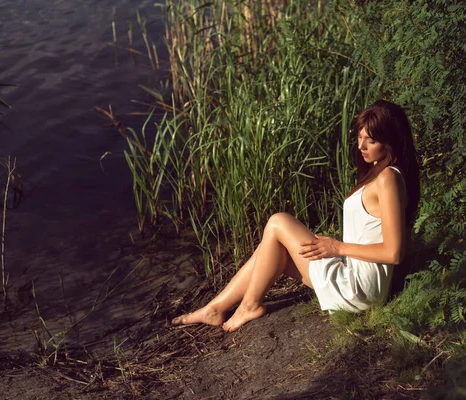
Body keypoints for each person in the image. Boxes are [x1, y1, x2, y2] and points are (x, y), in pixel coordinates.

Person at [172, 100, 420, 332]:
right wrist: (336, 249)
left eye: (371, 140)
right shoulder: (380, 173)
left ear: (391, 142)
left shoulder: (388, 178)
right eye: (360, 136)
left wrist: (337, 247)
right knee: (272, 248)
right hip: (355, 277)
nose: (361, 146)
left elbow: (393, 252)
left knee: (278, 221)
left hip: (359, 289)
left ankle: (248, 306)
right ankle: (215, 309)